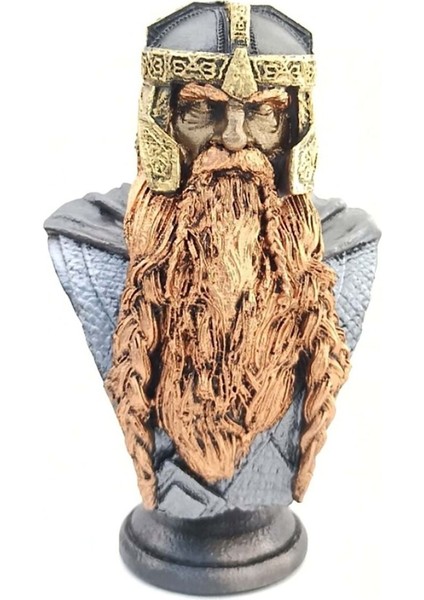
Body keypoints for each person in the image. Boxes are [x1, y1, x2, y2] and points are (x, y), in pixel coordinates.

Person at [45, 2, 380, 520]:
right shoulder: (88, 241)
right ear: (162, 122)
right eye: (203, 110)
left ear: (293, 129)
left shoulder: (348, 243)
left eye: (265, 113)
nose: (235, 138)